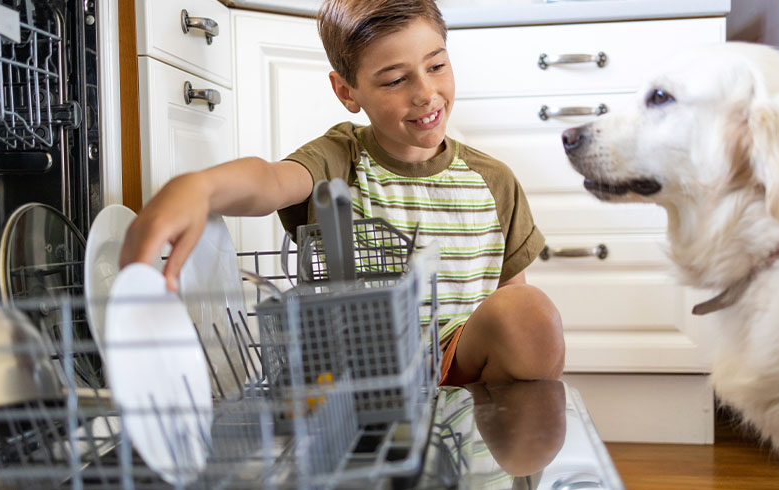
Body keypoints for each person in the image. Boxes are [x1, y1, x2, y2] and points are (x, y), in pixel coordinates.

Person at [120, 0, 564, 386]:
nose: (426, 94)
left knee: (530, 317)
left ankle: (501, 469)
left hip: (456, 367)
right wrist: (199, 187)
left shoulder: (493, 180)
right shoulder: (342, 158)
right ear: (347, 91)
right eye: (395, 80)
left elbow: (509, 308)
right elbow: (272, 181)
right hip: (359, 377)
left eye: (436, 65)